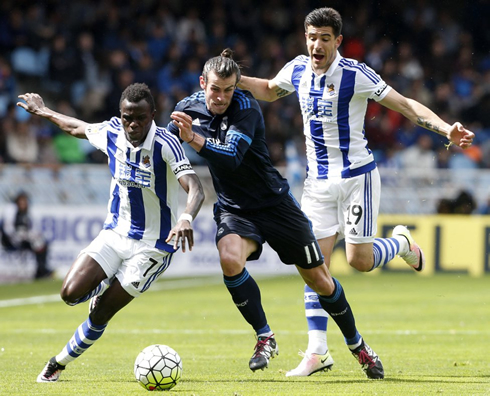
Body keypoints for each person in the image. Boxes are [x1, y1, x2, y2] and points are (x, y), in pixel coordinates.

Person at [237, 7, 475, 377]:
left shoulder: (355, 74)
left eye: (325, 38)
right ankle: (317, 351)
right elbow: (268, 90)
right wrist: (236, 79)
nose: (317, 44)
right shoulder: (297, 68)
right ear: (305, 38)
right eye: (312, 37)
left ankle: (401, 244)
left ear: (338, 41)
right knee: (312, 264)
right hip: (317, 184)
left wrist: (446, 129)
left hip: (357, 178)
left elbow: (405, 104)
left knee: (360, 262)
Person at [167, 49, 384, 379]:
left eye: (229, 89)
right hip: (235, 209)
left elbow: (231, 158)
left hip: (275, 205)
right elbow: (166, 142)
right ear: (203, 84)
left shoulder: (247, 108)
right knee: (229, 258)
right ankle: (264, 336)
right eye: (215, 89)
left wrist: (193, 139)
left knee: (320, 281)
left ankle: (358, 346)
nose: (222, 97)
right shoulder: (188, 108)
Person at [16, 83, 205, 383]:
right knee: (69, 294)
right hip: (115, 234)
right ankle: (101, 287)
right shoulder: (113, 131)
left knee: (101, 313)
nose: (133, 124)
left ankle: (58, 363)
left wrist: (186, 218)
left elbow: (194, 186)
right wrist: (43, 111)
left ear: (152, 115)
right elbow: (77, 127)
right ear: (121, 114)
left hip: (152, 248)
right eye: (127, 117)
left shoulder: (165, 144)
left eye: (140, 118)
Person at [0, 191, 52, 279]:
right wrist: (19, 236)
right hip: (11, 241)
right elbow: (8, 229)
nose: (23, 203)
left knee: (42, 244)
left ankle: (41, 270)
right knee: (38, 244)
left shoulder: (26, 213)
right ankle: (41, 271)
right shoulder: (12, 210)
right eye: (21, 201)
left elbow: (30, 228)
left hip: (23, 239)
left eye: (25, 201)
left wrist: (30, 235)